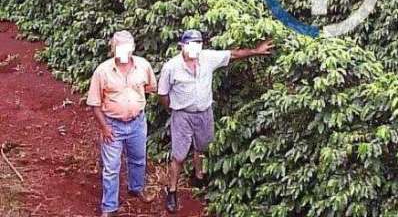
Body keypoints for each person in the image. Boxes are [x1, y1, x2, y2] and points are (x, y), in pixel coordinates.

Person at [158, 29, 273, 213]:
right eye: (191, 45)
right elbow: (162, 93)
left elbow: (233, 54)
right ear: (182, 46)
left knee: (202, 148)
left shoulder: (207, 58)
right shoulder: (171, 67)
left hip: (204, 112)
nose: (195, 49)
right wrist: (171, 107)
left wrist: (256, 51)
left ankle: (199, 177)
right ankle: (172, 191)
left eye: (198, 44)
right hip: (182, 114)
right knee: (178, 156)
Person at [87, 31, 158, 217]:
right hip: (112, 125)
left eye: (127, 47)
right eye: (119, 48)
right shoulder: (102, 71)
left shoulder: (143, 66)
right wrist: (104, 127)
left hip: (137, 123)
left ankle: (136, 188)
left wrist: (135, 104)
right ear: (113, 49)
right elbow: (94, 103)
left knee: (138, 159)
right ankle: (109, 207)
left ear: (133, 47)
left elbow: (151, 87)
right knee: (111, 167)